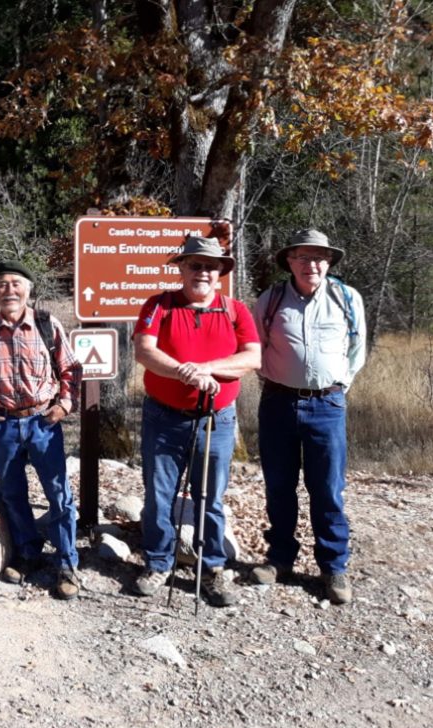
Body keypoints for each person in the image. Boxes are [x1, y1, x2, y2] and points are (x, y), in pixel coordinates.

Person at [132, 235, 260, 607]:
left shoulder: (235, 310)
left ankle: (212, 567)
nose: (202, 272)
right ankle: (158, 562)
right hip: (164, 417)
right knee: (159, 496)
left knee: (211, 498)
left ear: (220, 272)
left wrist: (206, 369)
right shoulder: (160, 305)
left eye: (209, 266)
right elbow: (145, 350)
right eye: (194, 264)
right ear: (182, 269)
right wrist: (186, 375)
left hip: (216, 419)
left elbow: (252, 358)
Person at [250, 229, 367, 605]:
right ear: (289, 261)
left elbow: (357, 348)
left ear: (329, 262)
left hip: (327, 407)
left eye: (319, 257)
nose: (311, 264)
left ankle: (334, 566)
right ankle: (280, 559)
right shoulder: (269, 301)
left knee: (328, 489)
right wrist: (278, 380)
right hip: (278, 403)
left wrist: (338, 386)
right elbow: (256, 349)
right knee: (279, 486)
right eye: (303, 257)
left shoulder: (346, 298)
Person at [0, 260, 82, 600]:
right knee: (13, 493)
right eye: (1, 284)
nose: (9, 290)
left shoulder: (47, 324)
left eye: (15, 283)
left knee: (58, 494)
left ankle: (66, 563)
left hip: (43, 422)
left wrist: (64, 406)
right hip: (3, 424)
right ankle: (28, 553)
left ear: (28, 289)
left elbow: (71, 369)